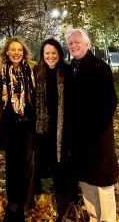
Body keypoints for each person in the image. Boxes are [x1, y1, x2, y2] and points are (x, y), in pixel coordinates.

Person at [65, 27, 119, 222]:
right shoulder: (71, 68)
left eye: (77, 42)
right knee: (87, 183)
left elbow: (110, 102)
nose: (73, 45)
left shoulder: (100, 67)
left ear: (87, 44)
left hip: (98, 137)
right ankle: (95, 218)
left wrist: (95, 127)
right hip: (79, 140)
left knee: (104, 185)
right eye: (70, 43)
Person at [0, 36, 36, 222]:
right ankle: (13, 206)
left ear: (24, 52)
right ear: (7, 52)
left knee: (28, 164)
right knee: (12, 165)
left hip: (28, 123)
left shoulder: (32, 68)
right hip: (10, 122)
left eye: (19, 49)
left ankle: (26, 203)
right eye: (13, 50)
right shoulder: (0, 70)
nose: (16, 53)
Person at [35, 38, 74, 222]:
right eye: (47, 53)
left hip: (63, 131)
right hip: (45, 132)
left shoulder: (66, 72)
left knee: (63, 172)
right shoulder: (39, 72)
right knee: (51, 170)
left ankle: (64, 211)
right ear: (43, 55)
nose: (50, 56)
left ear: (59, 53)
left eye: (53, 52)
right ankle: (58, 207)